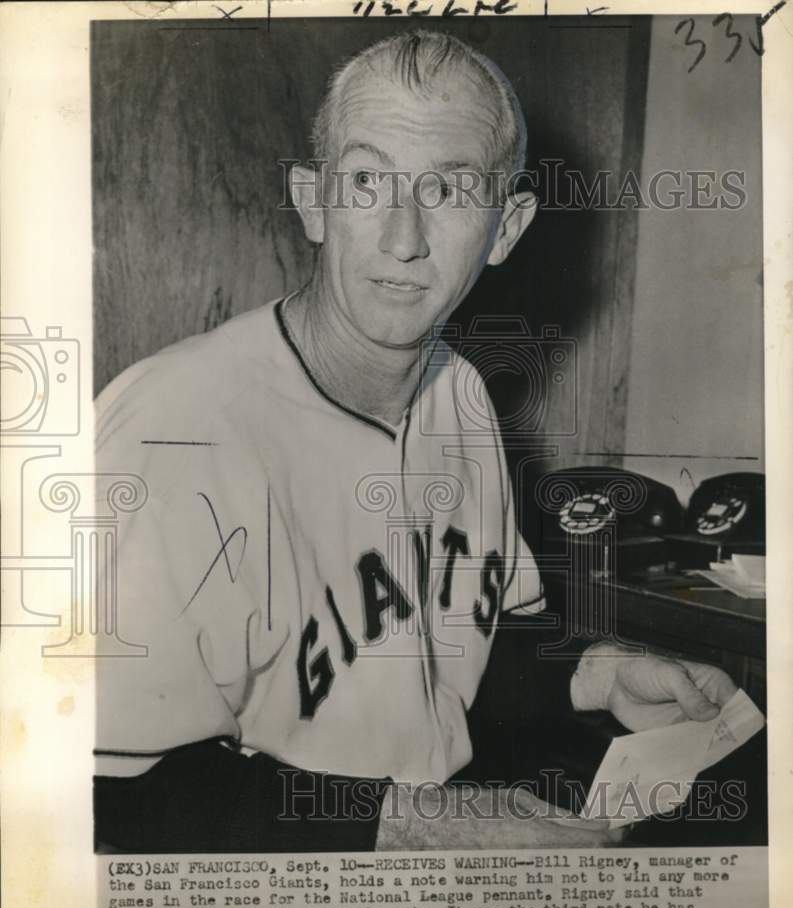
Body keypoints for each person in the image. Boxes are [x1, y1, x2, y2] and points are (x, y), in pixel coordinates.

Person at [94, 29, 737, 853]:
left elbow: (453, 640)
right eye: (367, 181)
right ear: (312, 199)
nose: (403, 237)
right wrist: (417, 827)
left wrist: (596, 673)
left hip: (407, 866)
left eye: (449, 191)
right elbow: (104, 786)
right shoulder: (171, 429)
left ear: (505, 230)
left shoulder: (459, 393)